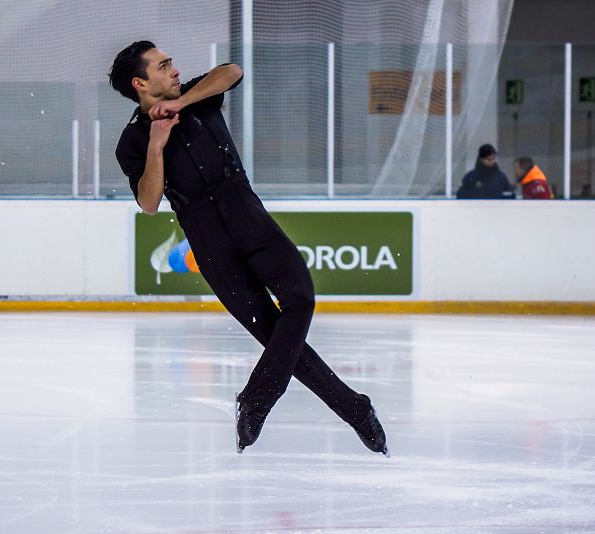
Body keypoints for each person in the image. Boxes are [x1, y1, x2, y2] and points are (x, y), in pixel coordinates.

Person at [109, 41, 388, 456]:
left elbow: (232, 71)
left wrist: (181, 102)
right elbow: (148, 203)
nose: (174, 70)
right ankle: (353, 408)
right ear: (140, 83)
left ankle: (258, 400)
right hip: (206, 238)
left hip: (245, 212)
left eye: (171, 63)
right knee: (272, 332)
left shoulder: (198, 95)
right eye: (163, 66)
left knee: (300, 297)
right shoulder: (131, 141)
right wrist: (156, 143)